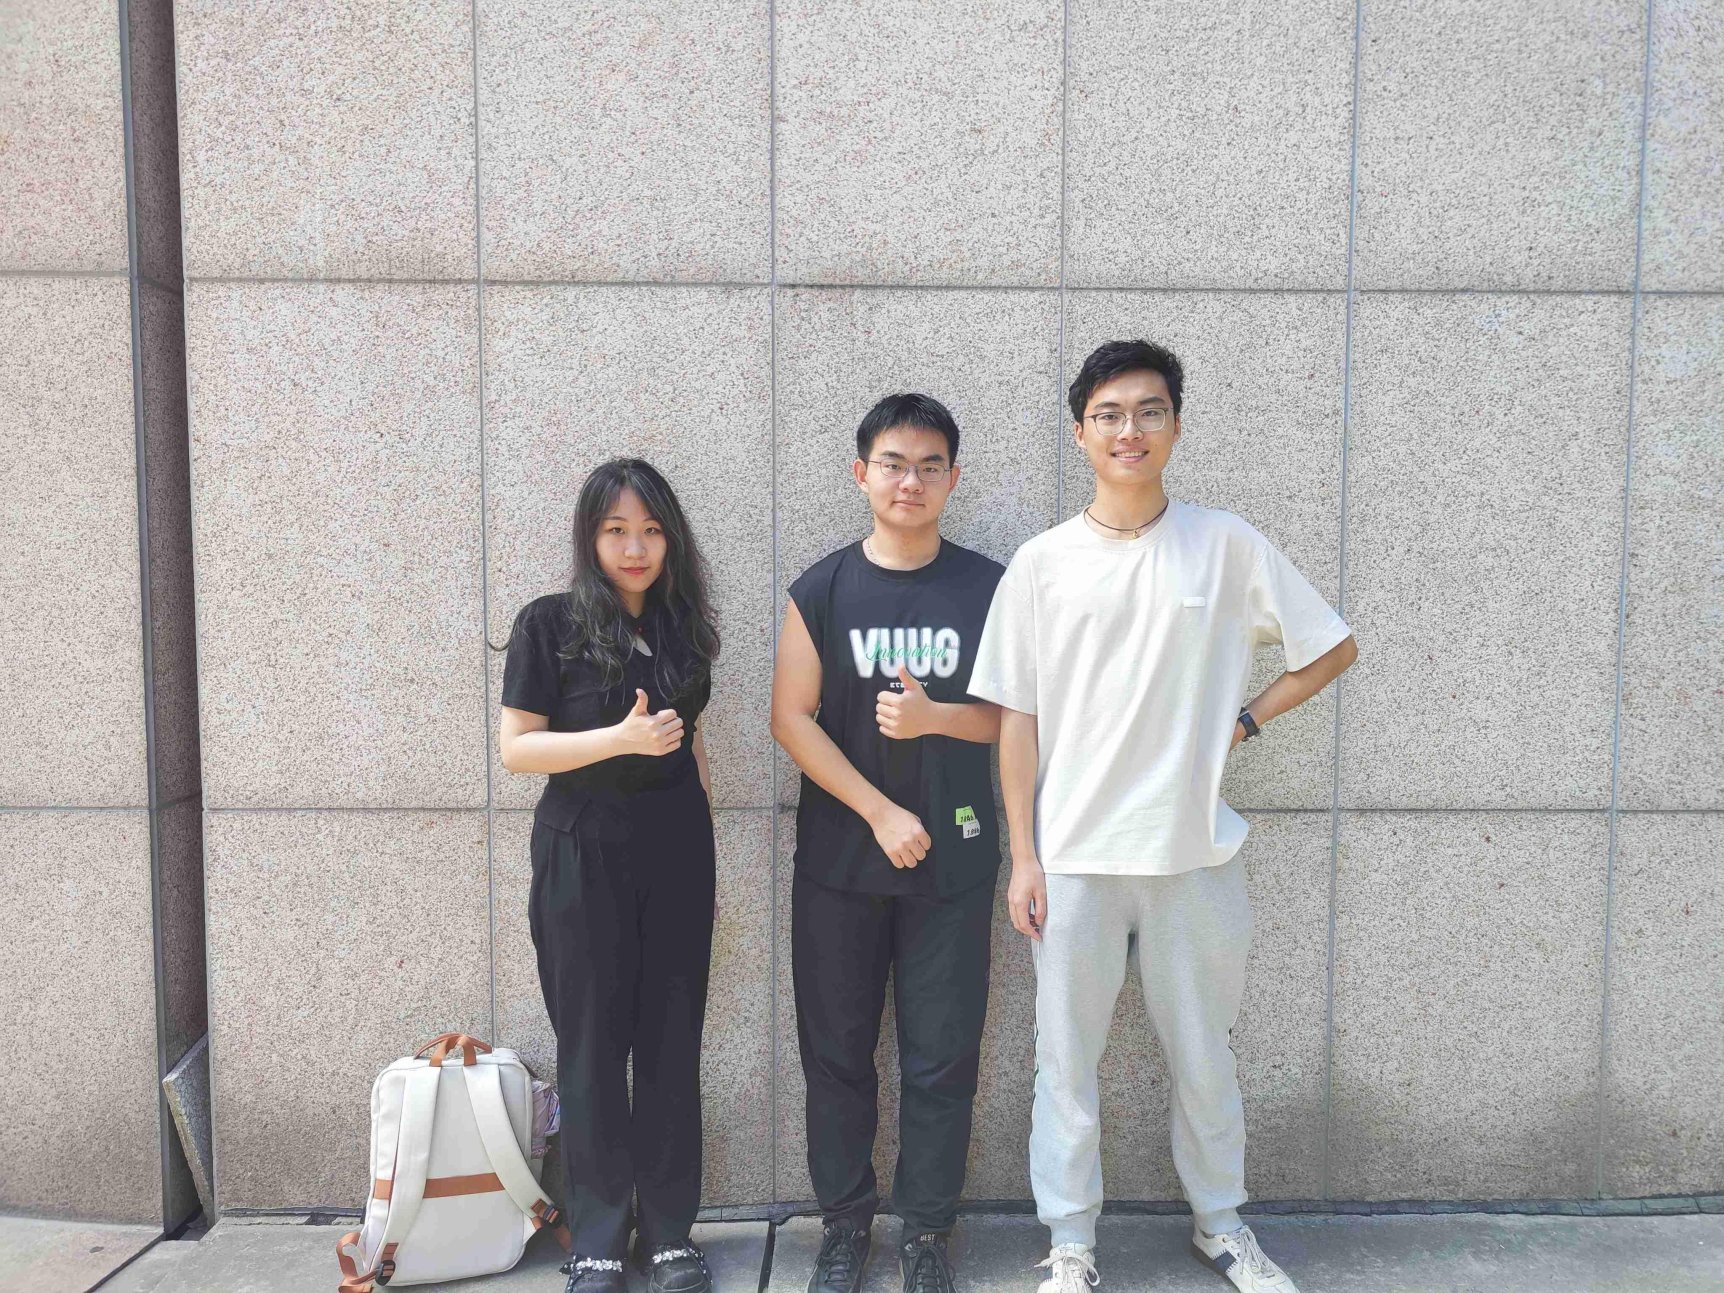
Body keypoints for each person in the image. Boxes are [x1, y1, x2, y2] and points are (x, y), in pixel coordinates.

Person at [967, 341, 1358, 1293]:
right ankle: (1071, 1243)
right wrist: (1024, 856)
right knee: (1065, 1063)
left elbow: (1330, 646)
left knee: (1204, 1056)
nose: (1129, 429)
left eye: (1148, 411)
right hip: (1074, 856)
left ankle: (1221, 1225)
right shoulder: (1041, 564)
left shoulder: (1226, 545)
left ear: (1176, 426)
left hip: (1193, 853)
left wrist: (1245, 720)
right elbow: (1015, 722)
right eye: (1108, 413)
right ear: (1080, 432)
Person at [771, 394, 1006, 1293]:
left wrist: (936, 717)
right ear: (861, 472)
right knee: (836, 1055)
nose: (912, 481)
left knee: (941, 1059)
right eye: (894, 463)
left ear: (953, 477)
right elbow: (790, 717)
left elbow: (1018, 719)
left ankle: (927, 1232)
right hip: (841, 864)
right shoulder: (822, 589)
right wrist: (877, 810)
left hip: (955, 861)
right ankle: (844, 1226)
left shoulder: (988, 588)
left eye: (930, 465)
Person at [497, 458, 722, 1293]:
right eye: (617, 530)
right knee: (591, 1046)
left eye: (651, 530)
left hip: (676, 852)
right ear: (590, 537)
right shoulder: (549, 623)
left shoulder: (681, 626)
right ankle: (596, 1235)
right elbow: (518, 748)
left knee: (670, 1042)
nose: (636, 548)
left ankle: (668, 1232)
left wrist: (706, 855)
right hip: (581, 852)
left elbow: (691, 743)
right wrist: (618, 741)